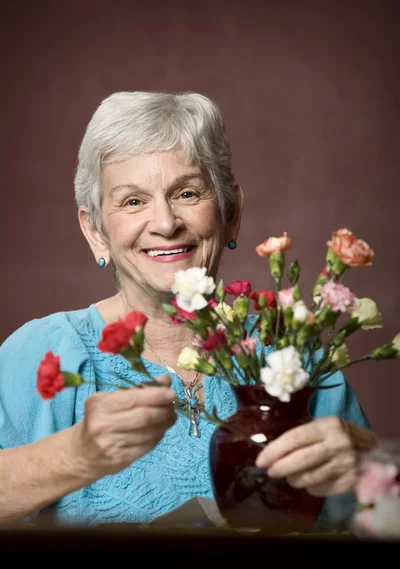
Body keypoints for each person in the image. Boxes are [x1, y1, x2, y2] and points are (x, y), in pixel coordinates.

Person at [0, 91, 378, 526]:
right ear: (95, 231)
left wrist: (367, 456)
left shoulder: (292, 351)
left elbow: (378, 521)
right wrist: (76, 456)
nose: (165, 223)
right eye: (133, 201)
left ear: (230, 211)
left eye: (186, 193)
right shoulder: (45, 352)